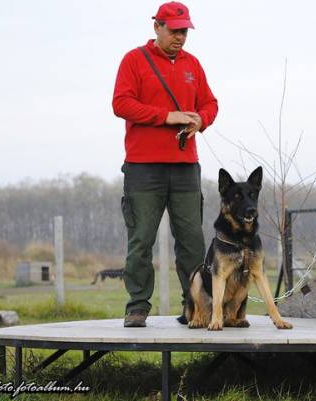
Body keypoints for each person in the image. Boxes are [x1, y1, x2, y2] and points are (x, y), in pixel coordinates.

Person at [112, 1, 218, 327]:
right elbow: (121, 103)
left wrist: (201, 120)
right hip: (143, 168)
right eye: (174, 30)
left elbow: (211, 104)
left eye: (184, 31)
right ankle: (138, 307)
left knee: (191, 242)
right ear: (156, 26)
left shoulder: (193, 65)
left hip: (186, 167)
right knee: (141, 239)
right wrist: (166, 116)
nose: (180, 37)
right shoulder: (134, 60)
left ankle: (194, 307)